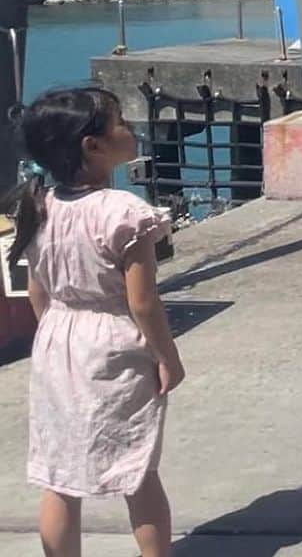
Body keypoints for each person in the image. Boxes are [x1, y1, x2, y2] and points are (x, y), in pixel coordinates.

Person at [5, 87, 181, 557]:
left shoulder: (40, 205)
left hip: (58, 341)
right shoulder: (123, 213)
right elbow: (142, 301)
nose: (131, 130)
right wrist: (167, 357)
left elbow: (39, 291)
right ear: (93, 146)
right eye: (121, 122)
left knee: (60, 477)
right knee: (137, 469)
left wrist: (59, 332)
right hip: (113, 344)